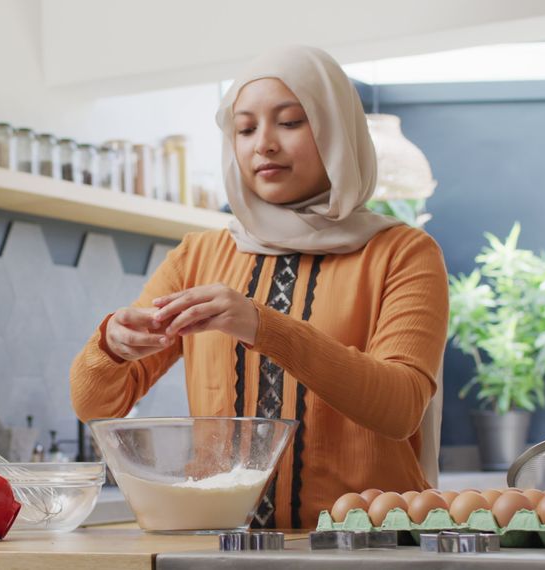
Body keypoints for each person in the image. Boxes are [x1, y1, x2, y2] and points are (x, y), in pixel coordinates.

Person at [70, 45, 448, 529]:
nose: (262, 144)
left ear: (337, 131)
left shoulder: (402, 253)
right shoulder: (198, 256)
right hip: (225, 547)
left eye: (290, 122)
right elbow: (97, 405)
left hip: (367, 549)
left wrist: (261, 325)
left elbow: (400, 408)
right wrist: (113, 346)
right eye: (245, 129)